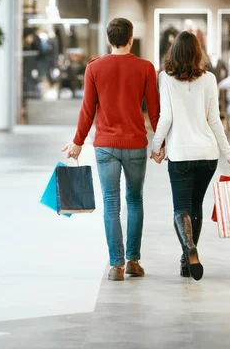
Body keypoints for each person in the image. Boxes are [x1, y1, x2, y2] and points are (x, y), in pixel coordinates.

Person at [62, 18, 162, 281]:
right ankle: (133, 261)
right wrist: (159, 144)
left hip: (105, 145)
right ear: (131, 39)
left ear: (109, 40)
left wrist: (77, 141)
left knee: (111, 203)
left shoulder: (95, 68)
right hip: (136, 144)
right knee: (135, 201)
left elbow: (87, 109)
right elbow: (154, 111)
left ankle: (116, 265)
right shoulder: (145, 68)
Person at [150, 31, 230, 281]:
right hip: (207, 154)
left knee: (181, 208)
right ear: (197, 53)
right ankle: (186, 260)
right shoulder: (210, 79)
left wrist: (156, 145)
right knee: (196, 207)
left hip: (180, 154)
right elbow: (215, 120)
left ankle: (189, 249)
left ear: (174, 52)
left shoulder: (165, 79)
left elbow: (166, 117)